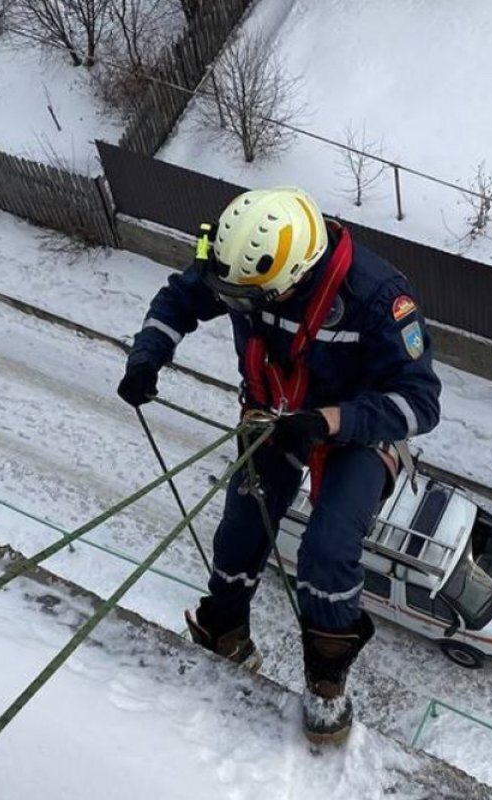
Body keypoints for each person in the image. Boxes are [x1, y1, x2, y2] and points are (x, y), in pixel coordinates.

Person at [116, 187, 441, 743]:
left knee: (328, 551)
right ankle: (224, 628)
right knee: (241, 525)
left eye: (250, 300)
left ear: (295, 276)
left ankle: (326, 683)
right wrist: (148, 355)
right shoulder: (244, 270)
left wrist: (329, 421)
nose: (239, 307)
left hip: (355, 434)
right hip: (273, 414)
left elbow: (421, 402)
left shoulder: (377, 299)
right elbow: (180, 301)